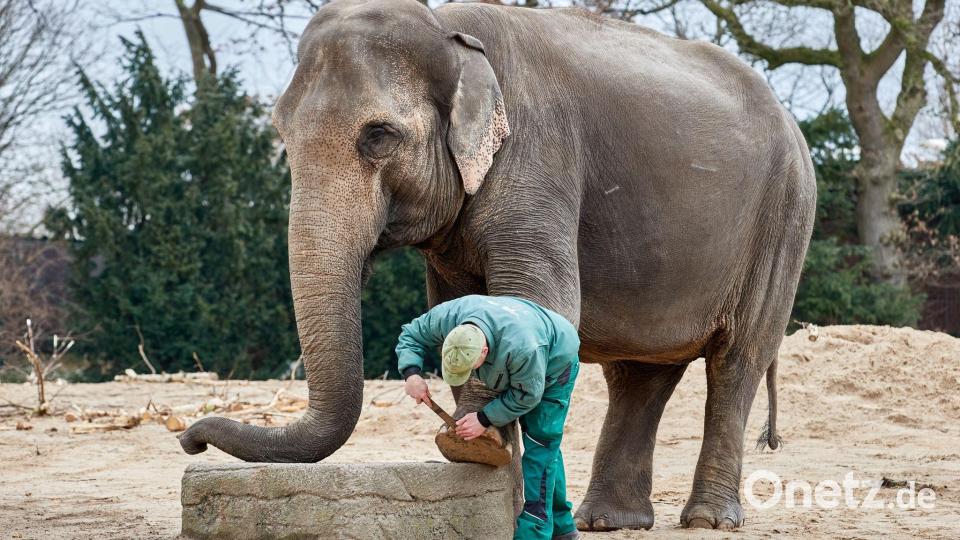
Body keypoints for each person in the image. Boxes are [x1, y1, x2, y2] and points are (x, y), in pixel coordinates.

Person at [396, 294, 581, 540]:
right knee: (546, 448)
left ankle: (534, 533)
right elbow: (411, 334)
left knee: (540, 443)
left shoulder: (524, 348)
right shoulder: (450, 315)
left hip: (555, 363)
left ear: (484, 351)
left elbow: (527, 396)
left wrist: (484, 418)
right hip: (518, 345)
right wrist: (411, 373)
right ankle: (563, 526)